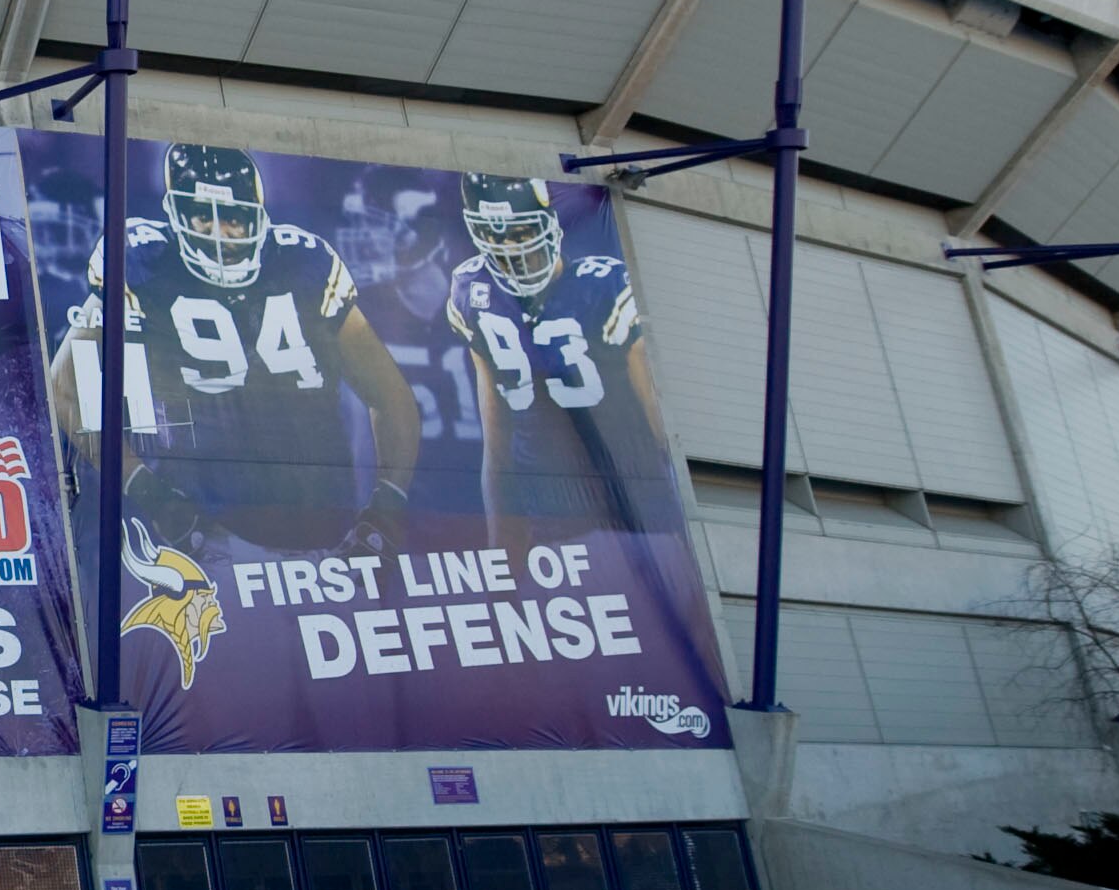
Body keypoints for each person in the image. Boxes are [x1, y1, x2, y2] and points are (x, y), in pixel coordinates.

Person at [53, 142, 421, 724]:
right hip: (213, 544)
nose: (220, 231)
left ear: (259, 213)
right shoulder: (140, 260)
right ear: (176, 214)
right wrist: (151, 492)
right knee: (244, 724)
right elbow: (68, 391)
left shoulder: (304, 263)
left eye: (234, 217)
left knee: (357, 724)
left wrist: (387, 505)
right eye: (204, 216)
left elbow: (392, 398)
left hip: (329, 539)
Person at [439, 172, 673, 549]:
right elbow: (497, 446)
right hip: (547, 520)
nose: (510, 252)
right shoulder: (472, 290)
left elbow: (657, 425)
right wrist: (502, 556)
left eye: (520, 235)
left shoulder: (604, 285)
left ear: (550, 227)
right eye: (495, 239)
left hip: (631, 511)